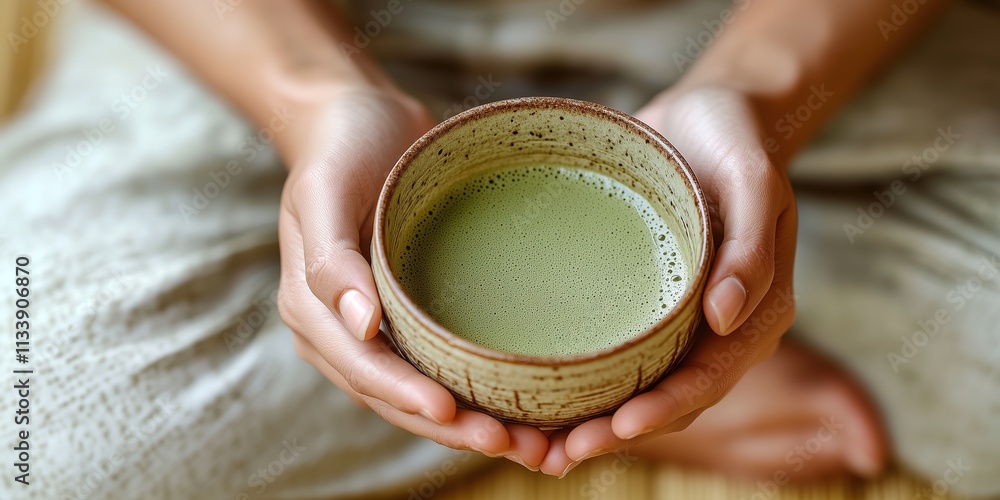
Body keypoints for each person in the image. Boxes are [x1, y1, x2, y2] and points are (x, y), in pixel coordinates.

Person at [2, 0, 997, 498]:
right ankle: (607, 384)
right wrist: (309, 96)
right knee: (26, 432)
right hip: (272, 36)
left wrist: (762, 100)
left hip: (756, 35)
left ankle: (635, 345)